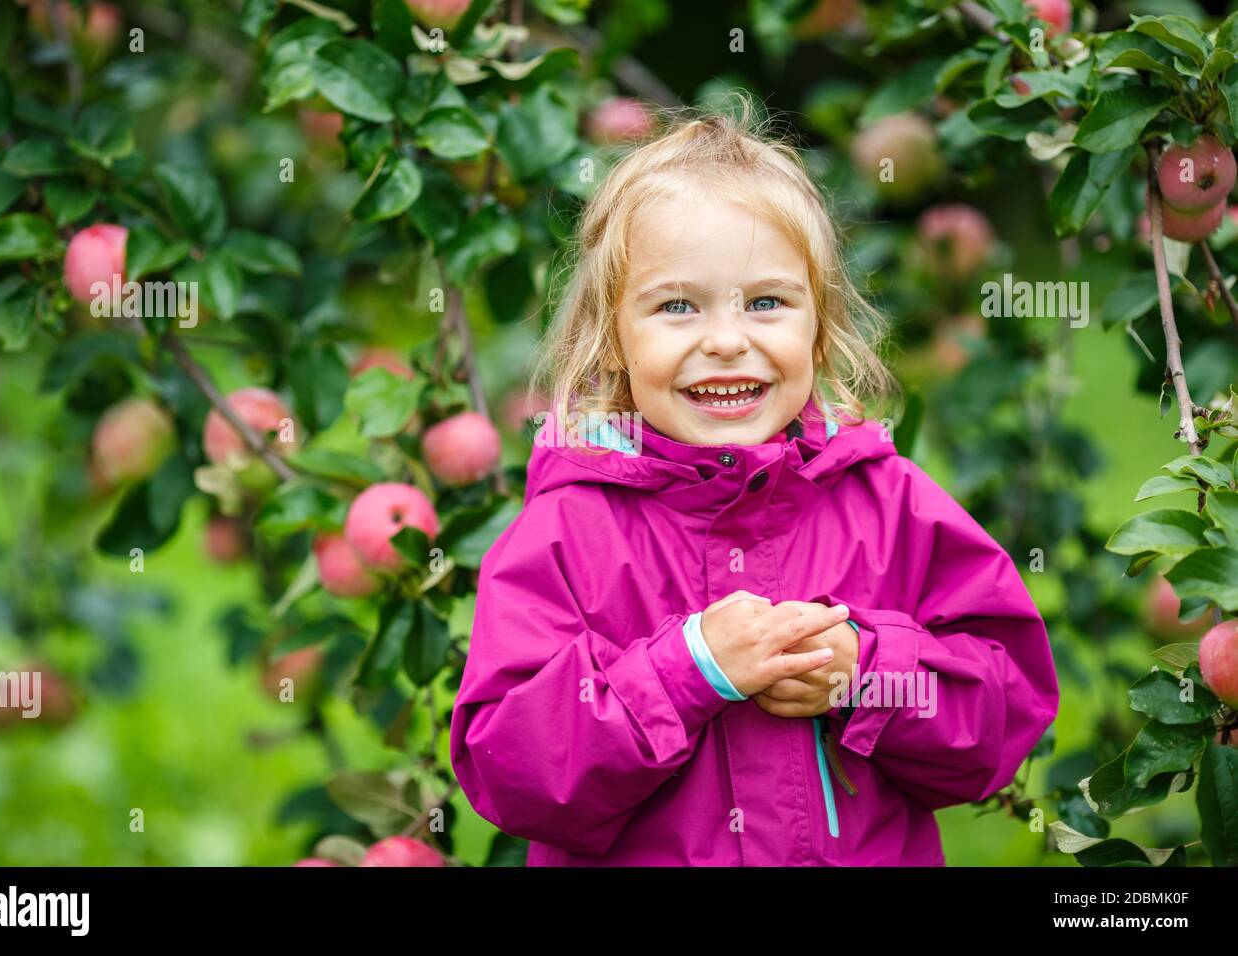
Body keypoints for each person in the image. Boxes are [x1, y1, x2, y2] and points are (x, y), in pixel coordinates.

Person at [449, 96, 1060, 866]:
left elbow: (1005, 714)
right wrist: (684, 672)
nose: (728, 341)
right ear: (612, 340)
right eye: (677, 307)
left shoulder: (889, 502)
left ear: (820, 322)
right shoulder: (569, 532)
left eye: (767, 302)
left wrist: (866, 674)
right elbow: (514, 773)